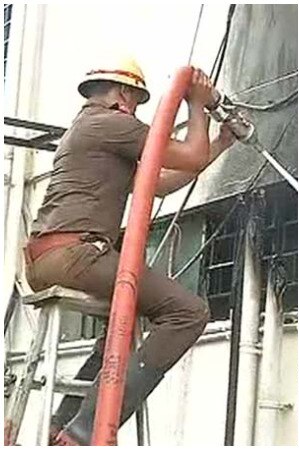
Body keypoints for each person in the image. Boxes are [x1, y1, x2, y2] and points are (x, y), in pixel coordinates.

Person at [23, 57, 235, 445]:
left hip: (51, 257)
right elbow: (188, 155)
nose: (136, 110)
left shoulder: (90, 130)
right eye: (137, 101)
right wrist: (197, 105)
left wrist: (221, 143)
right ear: (123, 95)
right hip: (75, 255)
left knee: (122, 327)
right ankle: (88, 429)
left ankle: (65, 423)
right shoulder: (112, 124)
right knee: (189, 312)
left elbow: (161, 183)